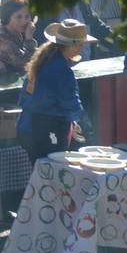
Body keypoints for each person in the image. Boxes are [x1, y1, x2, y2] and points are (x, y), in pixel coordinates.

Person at [16, 20, 93, 160]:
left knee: (41, 174)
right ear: (73, 45)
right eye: (81, 44)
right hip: (46, 132)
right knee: (54, 176)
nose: (82, 48)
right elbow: (71, 104)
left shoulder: (42, 61)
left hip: (27, 128)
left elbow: (25, 97)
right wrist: (79, 122)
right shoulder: (62, 70)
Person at [0, 0, 39, 74]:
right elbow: (25, 65)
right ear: (8, 17)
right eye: (18, 17)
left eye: (27, 16)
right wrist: (29, 39)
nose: (24, 21)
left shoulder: (16, 33)